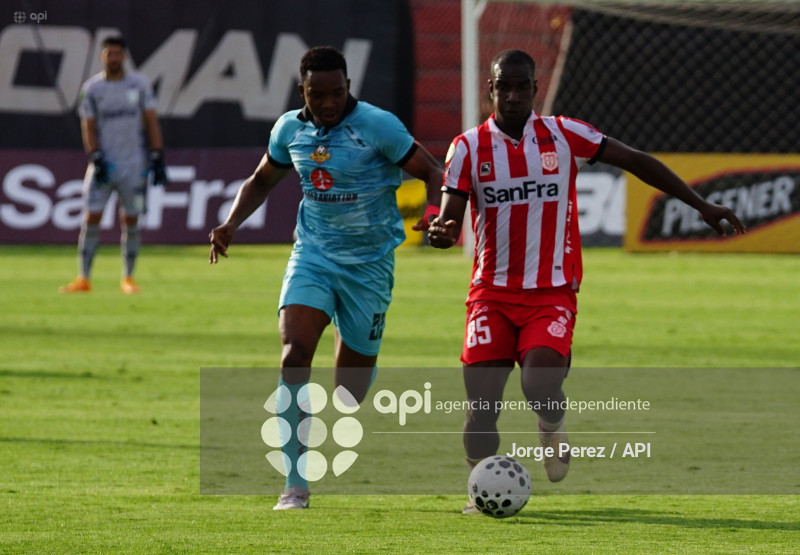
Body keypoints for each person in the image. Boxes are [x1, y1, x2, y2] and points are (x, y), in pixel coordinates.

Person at [427, 49, 747, 513]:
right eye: (504, 87)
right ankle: (482, 491)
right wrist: (442, 232)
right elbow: (450, 217)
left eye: (521, 86)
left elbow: (634, 160)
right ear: (490, 90)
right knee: (481, 409)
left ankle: (551, 424)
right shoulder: (468, 148)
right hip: (490, 293)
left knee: (538, 386)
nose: (513, 95)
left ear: (535, 89)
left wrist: (701, 205)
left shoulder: (563, 134)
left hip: (551, 290)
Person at [207, 46, 443, 510]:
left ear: (348, 87)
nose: (329, 102)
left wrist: (434, 214)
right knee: (293, 355)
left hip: (369, 266)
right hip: (312, 255)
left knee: (349, 393)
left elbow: (433, 171)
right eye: (318, 94)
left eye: (337, 92)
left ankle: (350, 340)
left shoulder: (378, 126)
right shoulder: (289, 129)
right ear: (303, 91)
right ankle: (295, 484)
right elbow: (261, 179)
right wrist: (231, 223)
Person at [60, 35, 167, 294]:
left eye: (118, 53)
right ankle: (84, 277)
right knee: (91, 217)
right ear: (102, 56)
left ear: (124, 56)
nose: (114, 58)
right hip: (103, 165)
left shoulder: (139, 85)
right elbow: (88, 125)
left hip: (134, 165)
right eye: (109, 53)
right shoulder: (92, 88)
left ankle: (128, 277)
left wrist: (157, 154)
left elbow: (151, 120)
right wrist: (95, 155)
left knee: (131, 219)